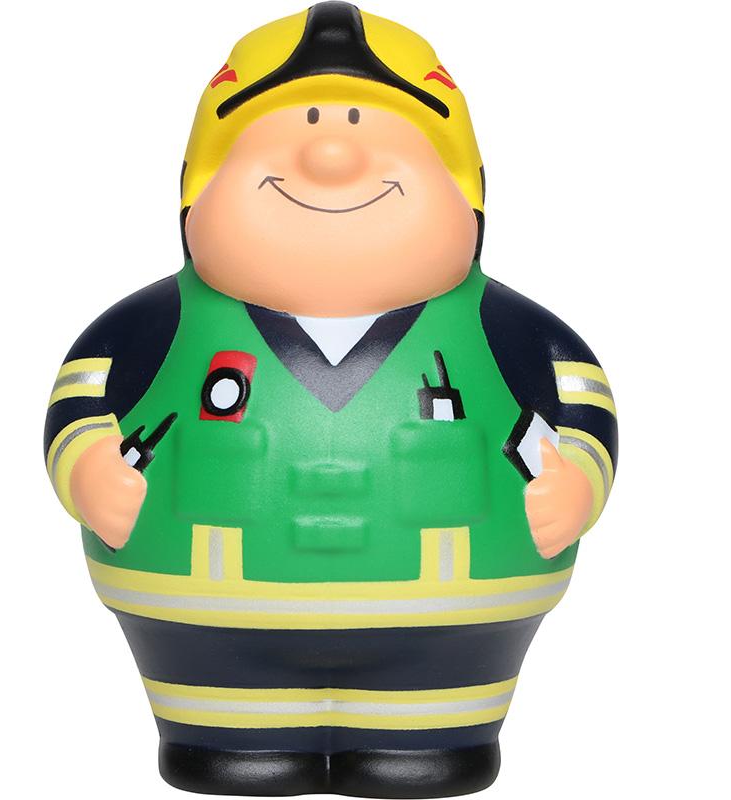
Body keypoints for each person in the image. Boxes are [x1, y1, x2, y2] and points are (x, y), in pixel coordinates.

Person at [44, 2, 618, 795]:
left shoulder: (502, 328)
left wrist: (580, 479)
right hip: (201, 631)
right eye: (301, 124)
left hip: (457, 634)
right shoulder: (161, 324)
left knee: (423, 744)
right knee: (234, 742)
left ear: (468, 193)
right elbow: (83, 395)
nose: (332, 153)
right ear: (196, 190)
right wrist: (84, 466)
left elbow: (580, 400)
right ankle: (226, 738)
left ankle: (429, 739)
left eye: (363, 125)